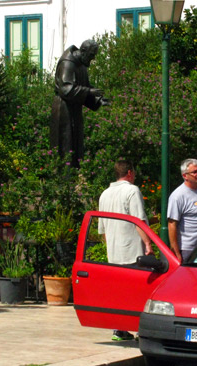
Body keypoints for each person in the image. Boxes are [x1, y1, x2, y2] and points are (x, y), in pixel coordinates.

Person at [99, 159, 152, 341]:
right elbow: (139, 221)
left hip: (113, 252)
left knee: (118, 292)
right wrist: (148, 244)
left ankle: (118, 329)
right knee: (138, 290)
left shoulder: (104, 194)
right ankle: (139, 329)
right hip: (132, 251)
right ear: (129, 173)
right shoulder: (132, 191)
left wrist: (110, 247)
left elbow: (103, 229)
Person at [50, 39, 110, 168]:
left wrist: (98, 100)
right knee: (65, 146)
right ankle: (63, 180)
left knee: (75, 147)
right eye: (91, 55)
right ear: (83, 51)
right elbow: (66, 90)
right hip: (63, 110)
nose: (92, 59)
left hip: (74, 109)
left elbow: (84, 89)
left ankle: (74, 179)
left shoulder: (82, 65)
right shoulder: (68, 63)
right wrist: (89, 91)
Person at [167, 158, 197, 263]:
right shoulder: (177, 196)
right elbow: (172, 224)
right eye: (194, 172)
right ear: (185, 176)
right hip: (188, 249)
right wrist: (175, 252)